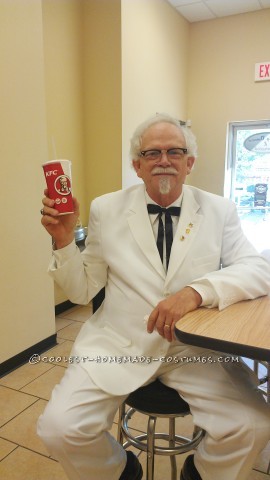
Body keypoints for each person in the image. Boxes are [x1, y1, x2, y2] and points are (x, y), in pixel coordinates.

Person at [38, 113, 270, 480]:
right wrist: (65, 241)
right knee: (58, 429)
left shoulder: (219, 210)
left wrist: (197, 292)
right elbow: (83, 289)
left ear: (189, 163)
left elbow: (260, 269)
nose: (164, 160)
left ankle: (201, 474)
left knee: (254, 424)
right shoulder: (106, 208)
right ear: (137, 165)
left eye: (174, 152)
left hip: (193, 348)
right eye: (152, 153)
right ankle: (121, 472)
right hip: (117, 343)